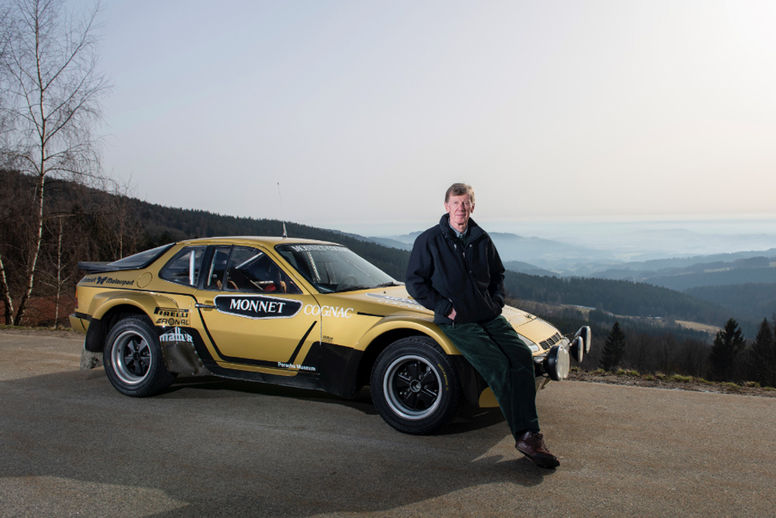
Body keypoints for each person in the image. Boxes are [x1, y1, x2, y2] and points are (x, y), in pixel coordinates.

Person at [405, 182, 559, 469]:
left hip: (489, 315)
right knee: (497, 364)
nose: (461, 208)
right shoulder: (429, 240)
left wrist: (496, 302)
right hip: (457, 321)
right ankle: (527, 436)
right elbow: (414, 282)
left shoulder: (481, 238)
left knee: (522, 357)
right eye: (455, 203)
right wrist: (443, 307)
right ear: (446, 206)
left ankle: (528, 428)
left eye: (466, 203)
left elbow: (498, 273)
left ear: (472, 206)